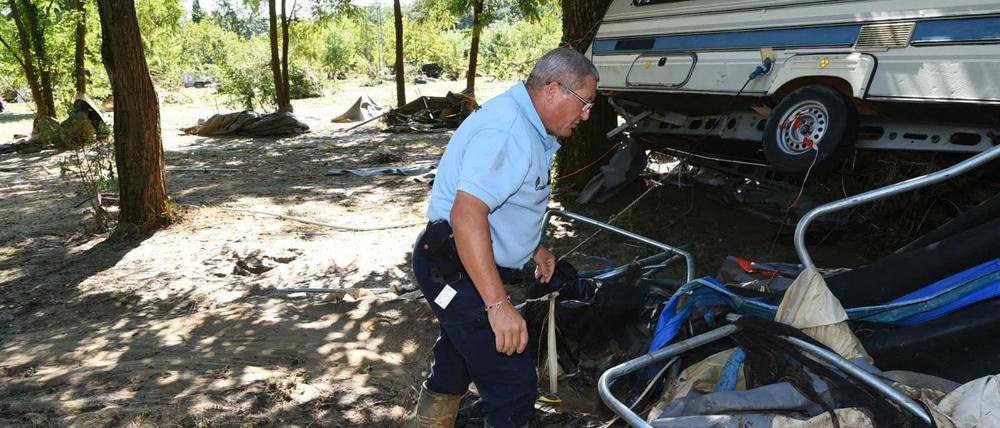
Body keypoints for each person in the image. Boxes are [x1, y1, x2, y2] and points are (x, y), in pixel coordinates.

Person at [410, 47, 599, 428]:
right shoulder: (508, 131)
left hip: (459, 262)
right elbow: (467, 215)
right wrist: (498, 306)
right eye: (584, 102)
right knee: (513, 384)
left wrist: (534, 247)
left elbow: (506, 200)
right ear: (553, 89)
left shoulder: (524, 124)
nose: (587, 114)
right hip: (452, 270)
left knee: (457, 356)